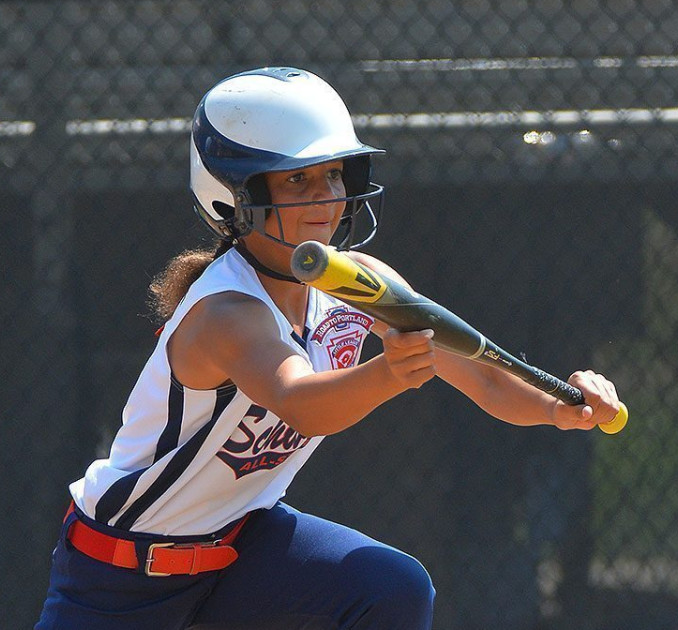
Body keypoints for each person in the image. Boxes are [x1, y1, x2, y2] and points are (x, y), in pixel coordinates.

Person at [34, 66, 623, 630]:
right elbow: (302, 402)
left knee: (390, 588)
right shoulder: (226, 314)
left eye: (334, 174)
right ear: (233, 196)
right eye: (297, 180)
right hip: (120, 575)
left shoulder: (359, 282)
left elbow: (485, 378)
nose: (324, 198)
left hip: (241, 550)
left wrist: (559, 406)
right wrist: (391, 372)